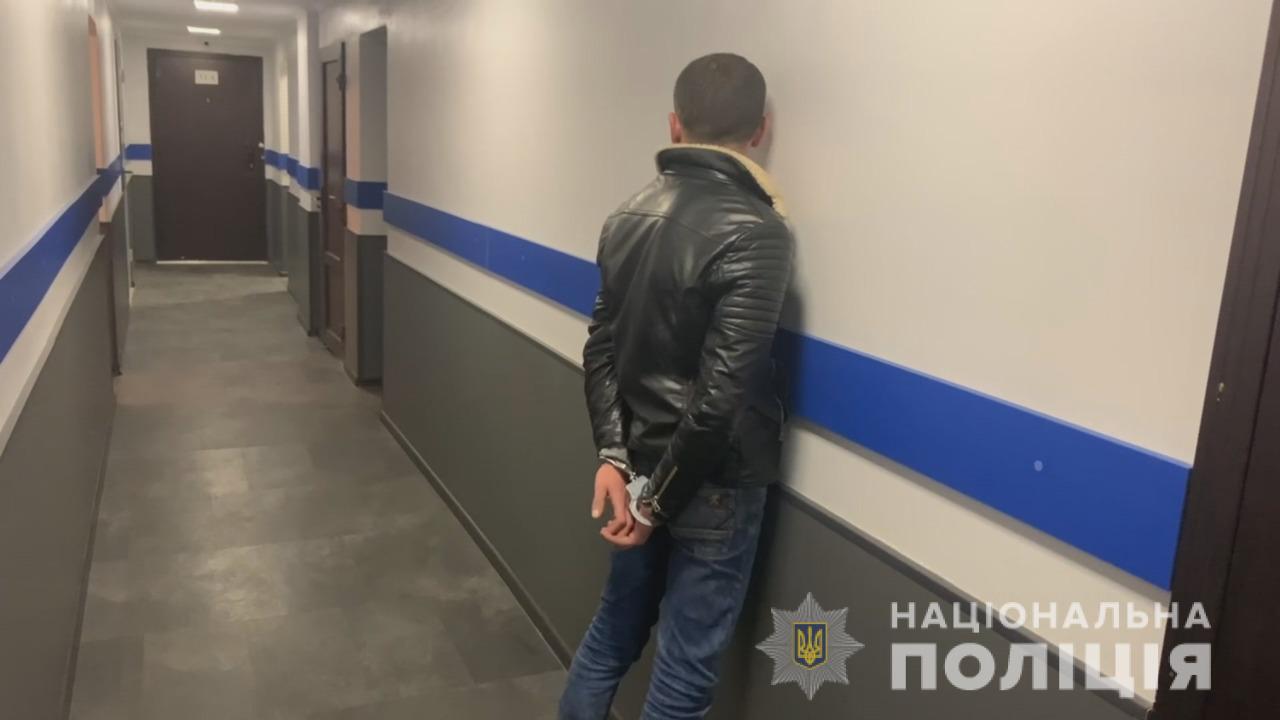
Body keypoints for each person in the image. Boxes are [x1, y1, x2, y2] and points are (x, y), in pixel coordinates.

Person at [559, 52, 794, 720]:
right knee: (683, 679)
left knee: (612, 635)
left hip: (641, 470)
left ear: (674, 124)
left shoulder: (627, 215)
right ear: (761, 130)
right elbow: (720, 398)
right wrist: (656, 504)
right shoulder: (759, 231)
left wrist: (615, 457)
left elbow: (600, 345)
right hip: (713, 485)